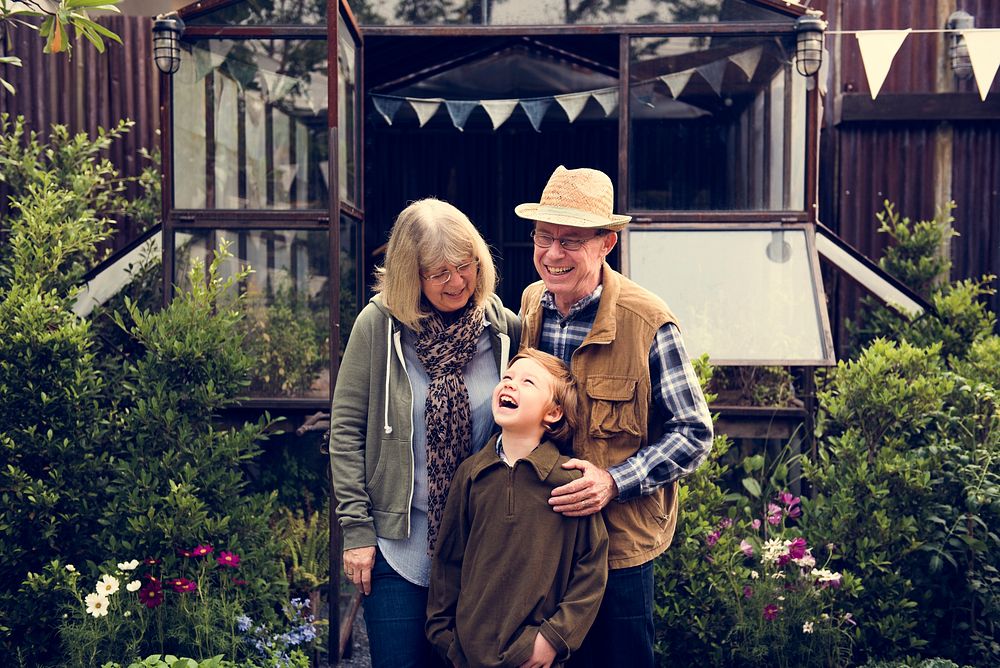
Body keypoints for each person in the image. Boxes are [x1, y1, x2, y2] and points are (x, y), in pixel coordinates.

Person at [515, 166, 714, 668]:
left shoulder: (647, 320)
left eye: (571, 241)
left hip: (618, 546)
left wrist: (614, 481)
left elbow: (693, 433)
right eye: (544, 237)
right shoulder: (531, 304)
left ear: (607, 243)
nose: (553, 253)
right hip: (547, 538)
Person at [329, 198, 521, 668]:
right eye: (439, 273)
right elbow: (346, 431)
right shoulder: (378, 327)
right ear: (409, 274)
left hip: (480, 549)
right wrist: (357, 531)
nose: (456, 282)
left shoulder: (503, 330)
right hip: (399, 544)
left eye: (464, 266)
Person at [426, 348, 609, 668]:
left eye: (527, 382)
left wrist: (554, 638)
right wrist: (446, 639)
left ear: (553, 413)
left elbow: (591, 569)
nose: (510, 384)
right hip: (469, 654)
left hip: (535, 655)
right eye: (507, 377)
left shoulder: (570, 480)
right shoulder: (471, 474)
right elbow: (448, 561)